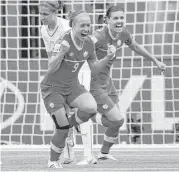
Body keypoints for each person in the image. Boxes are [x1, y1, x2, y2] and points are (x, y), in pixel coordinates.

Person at [40, 7, 116, 168]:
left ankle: (70, 126)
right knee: (61, 127)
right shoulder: (63, 41)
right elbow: (51, 68)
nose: (86, 29)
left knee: (90, 107)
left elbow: (95, 67)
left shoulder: (89, 43)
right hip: (52, 88)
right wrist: (62, 53)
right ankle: (53, 161)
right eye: (82, 25)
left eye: (88, 25)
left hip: (72, 86)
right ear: (72, 26)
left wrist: (108, 58)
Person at [89, 5, 166, 160]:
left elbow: (135, 46)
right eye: (115, 18)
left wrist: (156, 61)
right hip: (94, 83)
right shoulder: (97, 37)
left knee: (116, 123)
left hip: (107, 81)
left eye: (122, 18)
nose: (119, 21)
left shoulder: (123, 33)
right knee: (117, 119)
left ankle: (104, 153)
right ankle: (83, 116)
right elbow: (81, 53)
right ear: (106, 20)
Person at [39, 0, 96, 166]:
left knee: (88, 107)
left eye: (45, 14)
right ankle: (68, 155)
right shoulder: (43, 29)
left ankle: (88, 154)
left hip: (78, 70)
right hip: (58, 73)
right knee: (63, 121)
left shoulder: (67, 28)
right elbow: (52, 57)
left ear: (55, 12)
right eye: (40, 13)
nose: (41, 17)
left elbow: (83, 47)